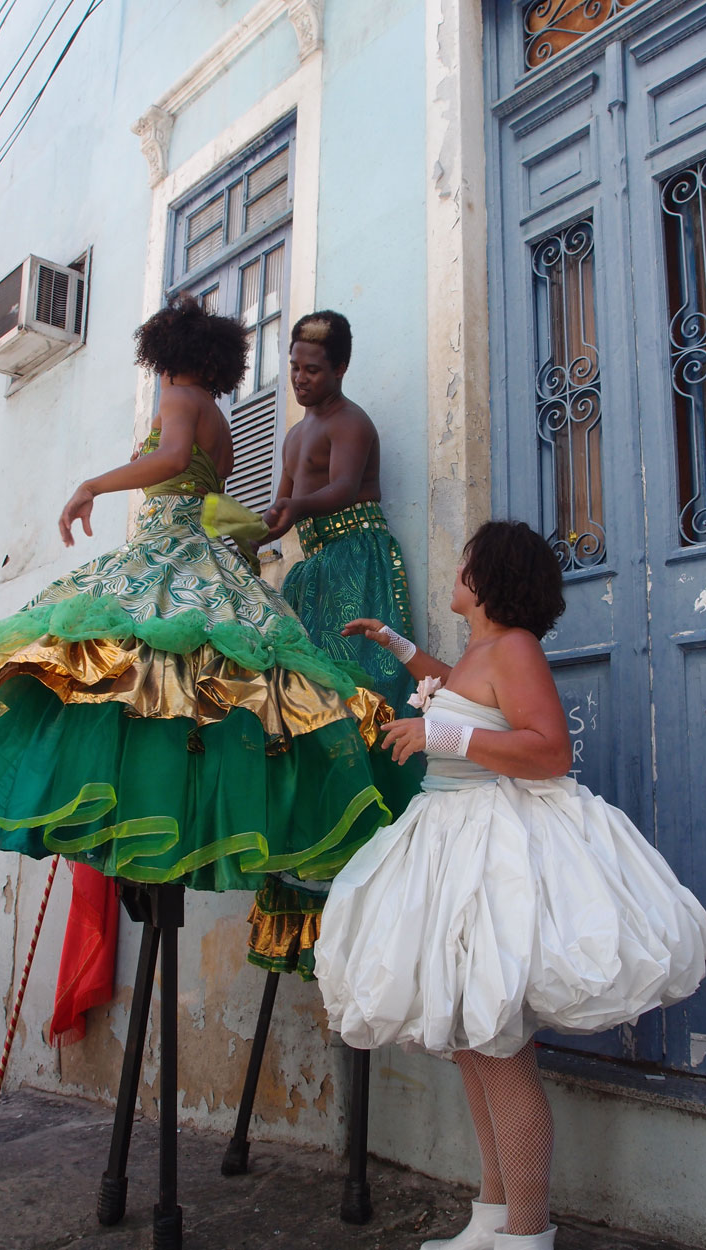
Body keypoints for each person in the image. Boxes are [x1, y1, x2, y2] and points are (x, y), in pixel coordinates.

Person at [0, 296, 394, 889]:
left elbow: (169, 459)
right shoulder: (218, 417)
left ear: (165, 357)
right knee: (193, 691)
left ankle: (133, 812)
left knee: (95, 672)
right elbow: (211, 501)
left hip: (164, 554)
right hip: (208, 558)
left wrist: (93, 483)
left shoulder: (177, 397)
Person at [313, 520, 706, 1250]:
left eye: (465, 561)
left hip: (491, 850)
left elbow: (548, 749)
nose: (456, 571)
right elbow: (459, 695)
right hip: (449, 837)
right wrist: (399, 649)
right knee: (473, 1043)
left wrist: (443, 738)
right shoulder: (481, 651)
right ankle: (491, 1216)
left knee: (499, 1051)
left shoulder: (516, 648)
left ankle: (528, 1235)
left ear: (488, 577)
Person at [246, 310, 421, 978]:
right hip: (311, 574)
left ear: (340, 369)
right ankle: (310, 873)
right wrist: (248, 535)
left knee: (363, 701)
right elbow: (284, 505)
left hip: (358, 564)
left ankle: (376, 859)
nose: (299, 378)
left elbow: (342, 489)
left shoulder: (353, 423)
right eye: (293, 366)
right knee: (300, 713)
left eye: (311, 369)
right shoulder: (292, 435)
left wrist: (292, 512)